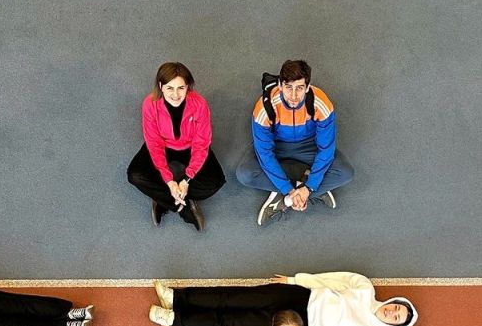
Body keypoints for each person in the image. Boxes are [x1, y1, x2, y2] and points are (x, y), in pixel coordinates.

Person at [148, 272, 415, 326]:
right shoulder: (365, 288)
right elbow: (330, 280)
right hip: (299, 296)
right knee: (235, 298)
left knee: (233, 325)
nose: (392, 312)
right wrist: (294, 280)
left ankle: (174, 319)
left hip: (298, 325)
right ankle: (177, 298)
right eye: (396, 308)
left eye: (396, 318)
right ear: (394, 301)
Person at [236, 59, 354, 226]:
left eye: (299, 88)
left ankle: (288, 198)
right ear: (280, 85)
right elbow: (265, 154)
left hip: (309, 146)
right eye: (288, 87)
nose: (293, 96)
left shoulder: (321, 103)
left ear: (307, 87)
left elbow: (326, 149)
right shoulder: (264, 108)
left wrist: (309, 187)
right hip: (277, 147)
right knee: (245, 174)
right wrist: (289, 189)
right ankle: (308, 187)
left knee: (345, 172)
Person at [126, 62, 226, 230]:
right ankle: (181, 206)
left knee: (215, 182)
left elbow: (201, 143)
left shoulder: (200, 104)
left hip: (190, 146)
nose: (175, 95)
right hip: (163, 145)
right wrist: (169, 181)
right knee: (135, 176)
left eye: (181, 88)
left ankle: (161, 197)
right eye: (169, 88)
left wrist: (186, 180)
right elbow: (154, 143)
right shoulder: (150, 104)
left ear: (188, 87)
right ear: (161, 87)